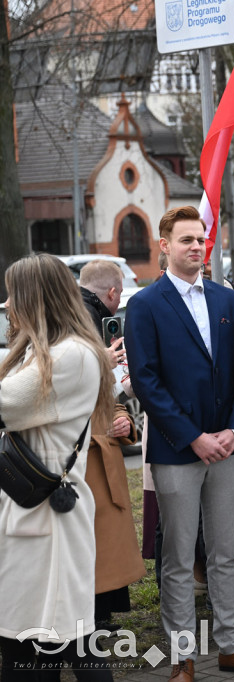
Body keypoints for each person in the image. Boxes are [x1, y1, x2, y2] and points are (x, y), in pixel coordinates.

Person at [125, 206, 234, 681]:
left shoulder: (227, 298)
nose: (196, 246)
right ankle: (182, 657)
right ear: (165, 245)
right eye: (186, 239)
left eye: (201, 239)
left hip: (228, 446)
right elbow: (146, 381)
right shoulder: (145, 305)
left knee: (224, 553)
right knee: (177, 558)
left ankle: (232, 646)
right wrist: (193, 437)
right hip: (177, 450)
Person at [0, 254, 115, 680]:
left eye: (13, 295)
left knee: (66, 639)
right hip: (32, 513)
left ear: (36, 298)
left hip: (49, 518)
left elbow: (5, 404)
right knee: (34, 640)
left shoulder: (71, 355)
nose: (7, 305)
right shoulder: (45, 350)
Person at [78, 260, 146, 631]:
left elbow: (105, 393)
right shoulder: (83, 320)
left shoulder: (87, 317)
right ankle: (92, 620)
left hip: (100, 445)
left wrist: (123, 418)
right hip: (85, 453)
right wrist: (101, 363)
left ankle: (99, 616)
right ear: (113, 293)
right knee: (92, 539)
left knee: (101, 539)